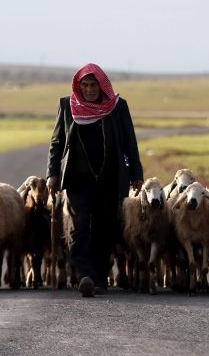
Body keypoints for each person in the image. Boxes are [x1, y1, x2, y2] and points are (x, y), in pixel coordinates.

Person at [46, 63, 143, 297]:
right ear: (79, 87)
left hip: (109, 179)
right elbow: (57, 142)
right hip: (78, 180)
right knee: (80, 229)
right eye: (85, 85)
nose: (89, 89)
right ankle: (85, 276)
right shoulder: (67, 105)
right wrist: (52, 173)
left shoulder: (117, 107)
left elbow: (130, 141)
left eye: (93, 85)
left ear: (102, 86)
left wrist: (136, 174)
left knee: (104, 230)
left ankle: (100, 278)